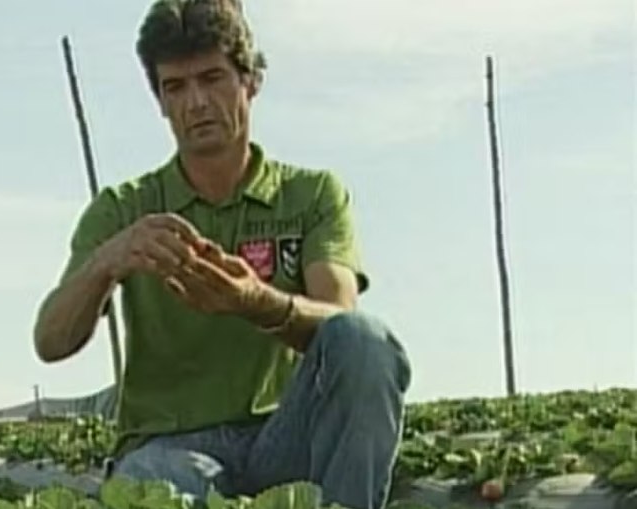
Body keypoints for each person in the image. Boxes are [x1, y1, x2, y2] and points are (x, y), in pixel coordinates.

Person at [32, 0, 411, 507]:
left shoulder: (311, 195)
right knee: (156, 481)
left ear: (250, 81)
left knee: (364, 340)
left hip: (283, 438)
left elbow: (340, 320)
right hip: (170, 447)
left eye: (212, 78)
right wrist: (108, 260)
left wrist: (256, 302)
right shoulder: (125, 209)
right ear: (160, 101)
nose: (196, 103)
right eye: (175, 87)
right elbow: (51, 341)